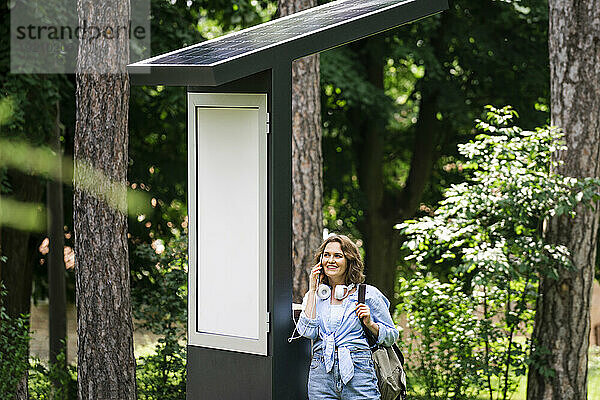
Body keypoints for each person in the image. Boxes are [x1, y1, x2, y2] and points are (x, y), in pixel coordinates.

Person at [296, 234, 399, 400]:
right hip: (321, 377)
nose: (330, 260)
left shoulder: (368, 295)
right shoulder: (315, 296)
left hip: (359, 374)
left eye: (338, 256)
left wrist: (371, 324)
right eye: (326, 255)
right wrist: (313, 289)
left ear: (349, 261)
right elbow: (307, 331)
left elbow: (392, 336)